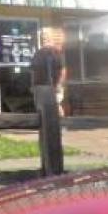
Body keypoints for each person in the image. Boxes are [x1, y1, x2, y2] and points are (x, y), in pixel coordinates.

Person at [30, 31, 66, 175]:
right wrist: (57, 84)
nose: (45, 39)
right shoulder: (48, 53)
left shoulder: (44, 53)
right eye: (44, 37)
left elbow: (61, 70)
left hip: (45, 87)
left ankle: (56, 129)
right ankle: (58, 128)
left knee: (49, 112)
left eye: (45, 38)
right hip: (48, 86)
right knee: (52, 109)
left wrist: (33, 86)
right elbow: (62, 71)